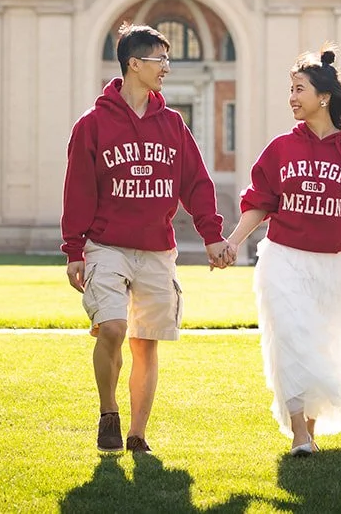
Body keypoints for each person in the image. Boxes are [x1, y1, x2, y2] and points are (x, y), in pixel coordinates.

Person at [222, 45, 341, 456]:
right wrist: (234, 241)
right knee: (289, 339)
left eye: (298, 89)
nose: (291, 97)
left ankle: (308, 428)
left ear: (323, 96)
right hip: (282, 259)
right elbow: (260, 202)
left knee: (320, 345)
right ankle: (299, 437)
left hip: (332, 265)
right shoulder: (281, 148)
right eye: (290, 89)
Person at [61, 23, 234, 455]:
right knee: (114, 328)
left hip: (157, 248)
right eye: (160, 60)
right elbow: (79, 189)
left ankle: (137, 434)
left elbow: (196, 183)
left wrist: (211, 235)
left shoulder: (172, 124)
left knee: (145, 342)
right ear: (133, 64)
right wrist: (74, 249)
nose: (167, 69)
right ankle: (108, 414)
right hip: (106, 245)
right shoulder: (93, 125)